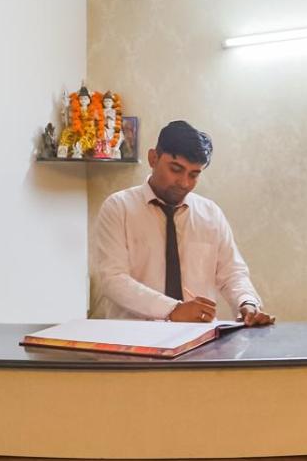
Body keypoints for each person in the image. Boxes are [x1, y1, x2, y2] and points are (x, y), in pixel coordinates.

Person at [91, 120, 276, 325]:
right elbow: (113, 280)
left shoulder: (210, 214)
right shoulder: (118, 208)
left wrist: (247, 303)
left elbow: (232, 273)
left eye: (194, 174)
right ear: (153, 158)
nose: (184, 183)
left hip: (200, 338)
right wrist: (172, 310)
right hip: (134, 339)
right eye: (176, 169)